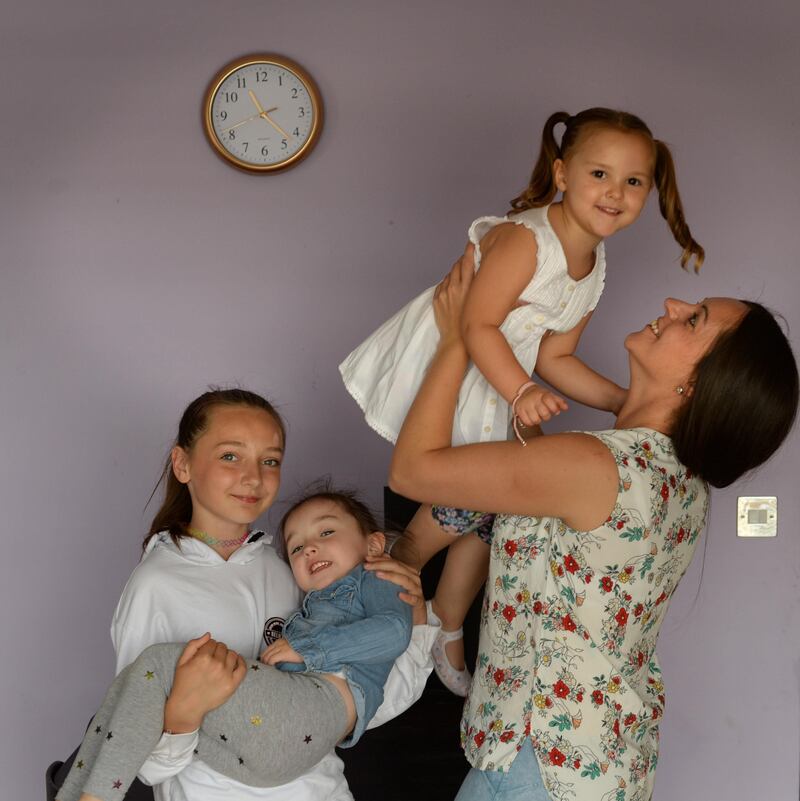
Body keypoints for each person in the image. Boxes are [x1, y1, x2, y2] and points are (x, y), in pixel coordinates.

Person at [388, 250, 798, 800]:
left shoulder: (596, 466)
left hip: (538, 767)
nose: (673, 305)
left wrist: (462, 333)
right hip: (599, 760)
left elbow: (413, 470)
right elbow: (558, 357)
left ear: (702, 385)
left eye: (694, 318)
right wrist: (582, 259)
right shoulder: (677, 475)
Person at [339, 107, 704, 695]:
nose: (616, 193)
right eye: (599, 175)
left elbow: (555, 356)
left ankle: (447, 620)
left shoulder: (593, 263)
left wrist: (620, 401)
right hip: (457, 363)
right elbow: (478, 325)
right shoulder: (527, 240)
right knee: (468, 495)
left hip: (497, 377)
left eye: (634, 182)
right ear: (561, 174)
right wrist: (522, 390)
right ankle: (402, 566)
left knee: (501, 515)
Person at [56, 389, 436, 801]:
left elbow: (364, 702)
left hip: (322, 790)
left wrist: (413, 618)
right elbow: (142, 761)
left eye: (269, 460)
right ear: (183, 464)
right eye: (230, 456)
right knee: (143, 681)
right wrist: (183, 716)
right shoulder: (155, 586)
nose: (253, 477)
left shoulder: (291, 570)